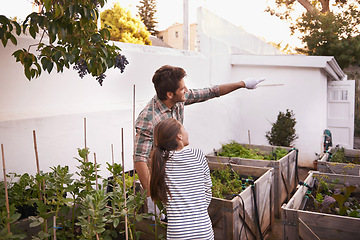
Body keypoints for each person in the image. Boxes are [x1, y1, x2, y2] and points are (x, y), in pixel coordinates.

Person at [134, 65, 264, 203]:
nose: (187, 90)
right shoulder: (149, 118)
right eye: (182, 89)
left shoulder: (177, 100)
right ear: (170, 94)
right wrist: (151, 196)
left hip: (175, 170)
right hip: (159, 177)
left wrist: (242, 84)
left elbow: (211, 92)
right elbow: (140, 159)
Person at [150, 118, 214, 239]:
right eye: (184, 129)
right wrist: (198, 211)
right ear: (179, 136)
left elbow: (161, 196)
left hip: (177, 232)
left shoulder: (160, 161)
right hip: (203, 229)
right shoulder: (197, 155)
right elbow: (207, 190)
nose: (186, 132)